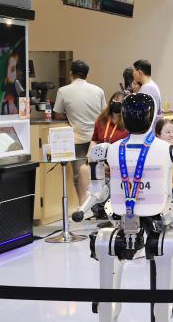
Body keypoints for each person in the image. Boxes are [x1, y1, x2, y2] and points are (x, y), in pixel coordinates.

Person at [53, 60, 107, 203]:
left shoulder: (63, 91)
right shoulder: (98, 90)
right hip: (97, 140)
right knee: (98, 175)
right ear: (87, 74)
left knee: (78, 176)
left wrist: (70, 115)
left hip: (77, 139)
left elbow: (58, 114)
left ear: (71, 73)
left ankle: (83, 206)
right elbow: (104, 113)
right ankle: (98, 207)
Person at [79, 91, 129, 219]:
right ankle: (85, 207)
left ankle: (107, 207)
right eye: (115, 100)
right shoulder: (101, 120)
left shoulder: (127, 124)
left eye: (121, 102)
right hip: (99, 157)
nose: (117, 103)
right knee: (84, 169)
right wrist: (89, 155)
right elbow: (95, 139)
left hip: (118, 160)